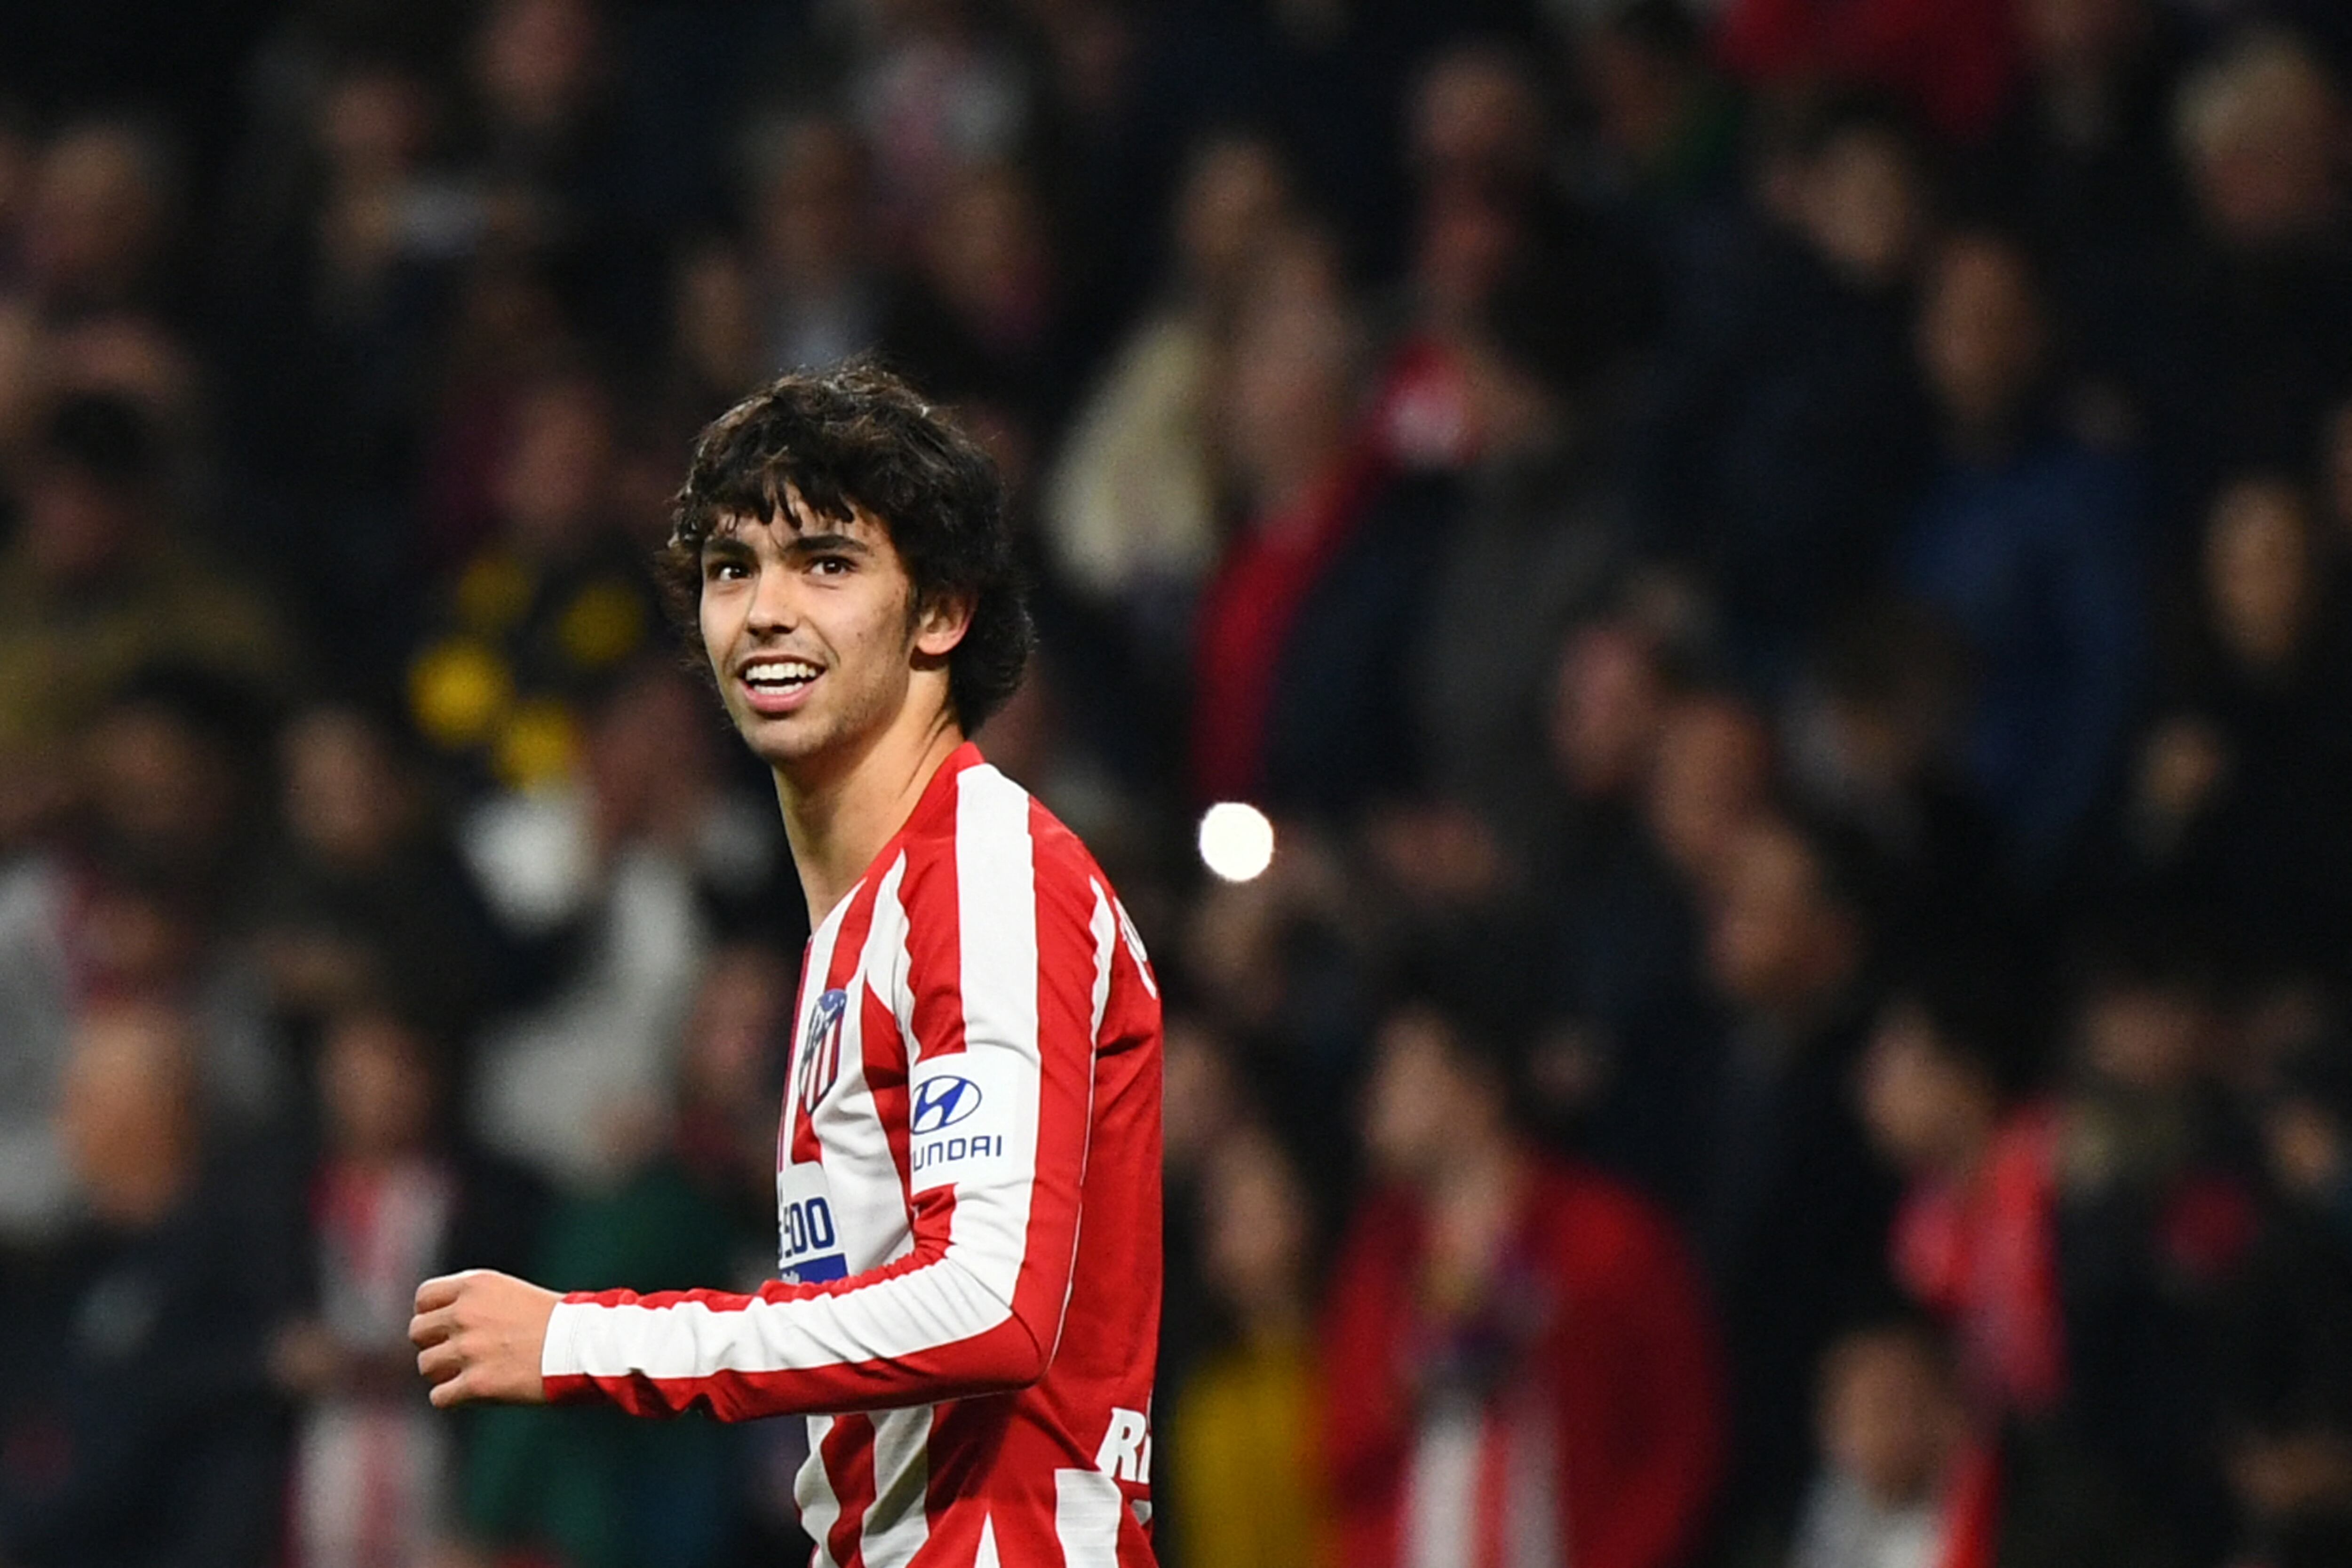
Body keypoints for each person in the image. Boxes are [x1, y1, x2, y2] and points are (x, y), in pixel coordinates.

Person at [407, 360, 1167, 1567]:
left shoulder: (984, 877)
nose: (765, 608)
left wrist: (591, 1340)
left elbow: (992, 1305)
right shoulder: (855, 925)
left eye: (826, 562)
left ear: (940, 613)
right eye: (730, 568)